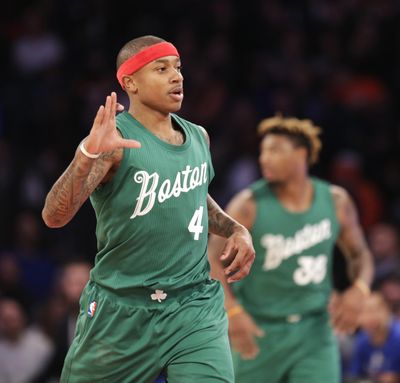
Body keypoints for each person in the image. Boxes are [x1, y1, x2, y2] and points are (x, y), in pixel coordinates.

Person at [41, 35, 255, 383]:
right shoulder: (114, 142)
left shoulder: (199, 136)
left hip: (194, 304)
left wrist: (235, 229)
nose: (177, 76)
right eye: (162, 68)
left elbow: (194, 195)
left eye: (178, 67)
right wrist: (87, 156)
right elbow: (54, 216)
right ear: (130, 83)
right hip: (123, 309)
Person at [208, 114, 374, 383]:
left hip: (315, 331)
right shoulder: (249, 203)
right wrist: (232, 311)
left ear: (302, 154)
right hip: (260, 328)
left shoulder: (335, 201)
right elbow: (211, 259)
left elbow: (360, 254)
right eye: (263, 151)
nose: (264, 158)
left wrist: (360, 289)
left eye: (274, 150)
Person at [347, 292, 400, 383]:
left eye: (375, 310)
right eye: (364, 311)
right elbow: (354, 376)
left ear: (387, 310)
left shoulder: (397, 337)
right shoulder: (361, 342)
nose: (371, 316)